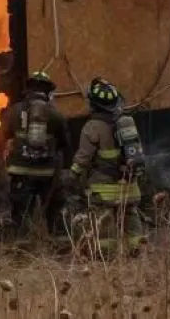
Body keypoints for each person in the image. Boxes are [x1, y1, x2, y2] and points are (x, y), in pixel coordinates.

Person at [64, 77, 146, 254]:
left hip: (104, 190)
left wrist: (72, 175)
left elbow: (83, 158)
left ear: (94, 105)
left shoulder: (92, 127)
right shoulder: (127, 122)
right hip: (129, 186)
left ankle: (107, 257)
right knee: (131, 217)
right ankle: (138, 250)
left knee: (105, 222)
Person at [0, 70, 72, 236]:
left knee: (21, 214)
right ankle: (59, 246)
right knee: (53, 211)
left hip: (20, 173)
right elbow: (65, 143)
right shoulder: (55, 115)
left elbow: (5, 135)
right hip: (47, 174)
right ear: (47, 91)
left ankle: (21, 250)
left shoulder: (14, 111)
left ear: (28, 89)